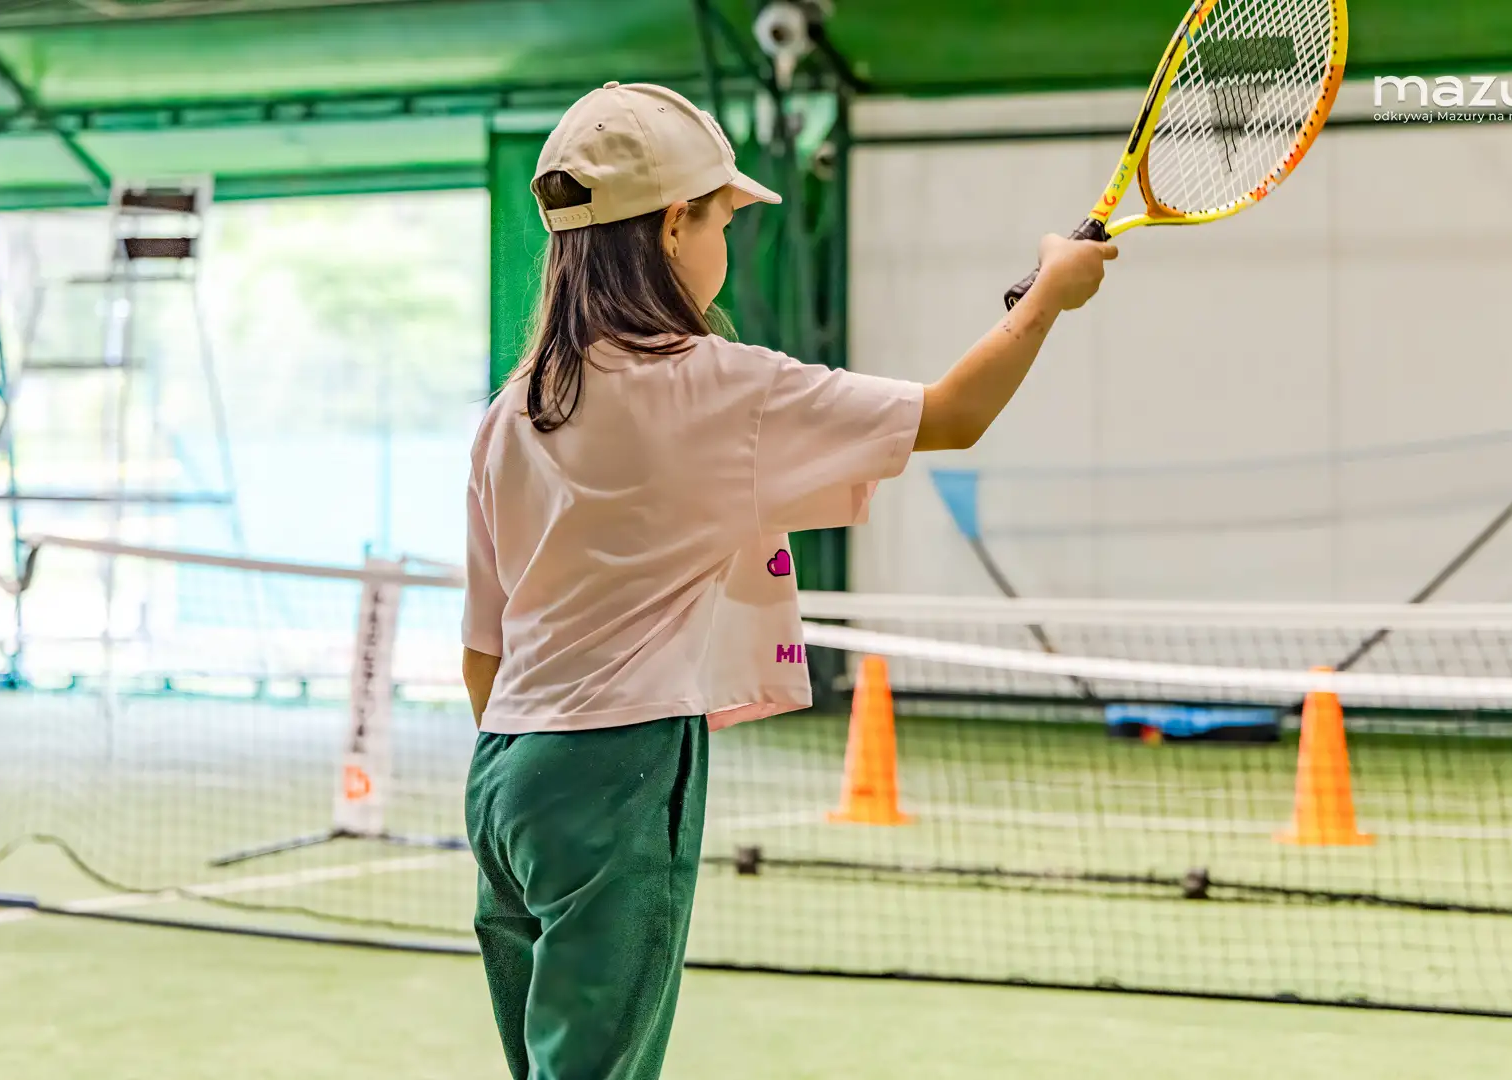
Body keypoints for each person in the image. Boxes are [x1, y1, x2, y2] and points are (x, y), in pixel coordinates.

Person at [461, 81, 1115, 1080]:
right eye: (722, 219)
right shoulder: (719, 386)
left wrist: (534, 778)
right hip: (617, 768)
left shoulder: (510, 414)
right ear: (673, 225)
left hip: (504, 773)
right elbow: (951, 414)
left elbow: (484, 648)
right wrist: (1049, 299)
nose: (727, 241)